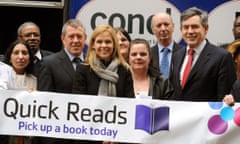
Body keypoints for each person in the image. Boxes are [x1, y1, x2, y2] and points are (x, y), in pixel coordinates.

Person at [72, 24, 134, 144]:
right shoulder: (83, 69)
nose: (103, 45)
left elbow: (128, 106)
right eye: (99, 42)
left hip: (117, 138)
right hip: (88, 137)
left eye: (108, 42)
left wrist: (114, 134)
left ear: (114, 44)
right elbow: (78, 105)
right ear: (93, 45)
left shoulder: (125, 70)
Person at [35, 19, 86, 144]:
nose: (75, 40)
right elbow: (44, 102)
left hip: (86, 135)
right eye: (71, 36)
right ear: (63, 39)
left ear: (85, 38)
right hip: (59, 137)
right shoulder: (48, 63)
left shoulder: (94, 63)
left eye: (79, 36)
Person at [170, 7, 236, 102]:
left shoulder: (222, 57)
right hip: (179, 116)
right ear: (181, 30)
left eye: (195, 27)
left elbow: (225, 98)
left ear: (206, 28)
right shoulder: (177, 56)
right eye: (186, 27)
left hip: (208, 116)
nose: (190, 31)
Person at [3, 39, 36, 144]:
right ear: (9, 57)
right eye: (16, 53)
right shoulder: (1, 78)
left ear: (30, 58)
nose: (20, 57)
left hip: (28, 135)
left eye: (25, 53)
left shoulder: (35, 81)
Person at [150, 12, 183, 78]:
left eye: (166, 24)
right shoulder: (148, 54)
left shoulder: (184, 52)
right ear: (153, 30)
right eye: (159, 25)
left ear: (173, 27)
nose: (163, 29)